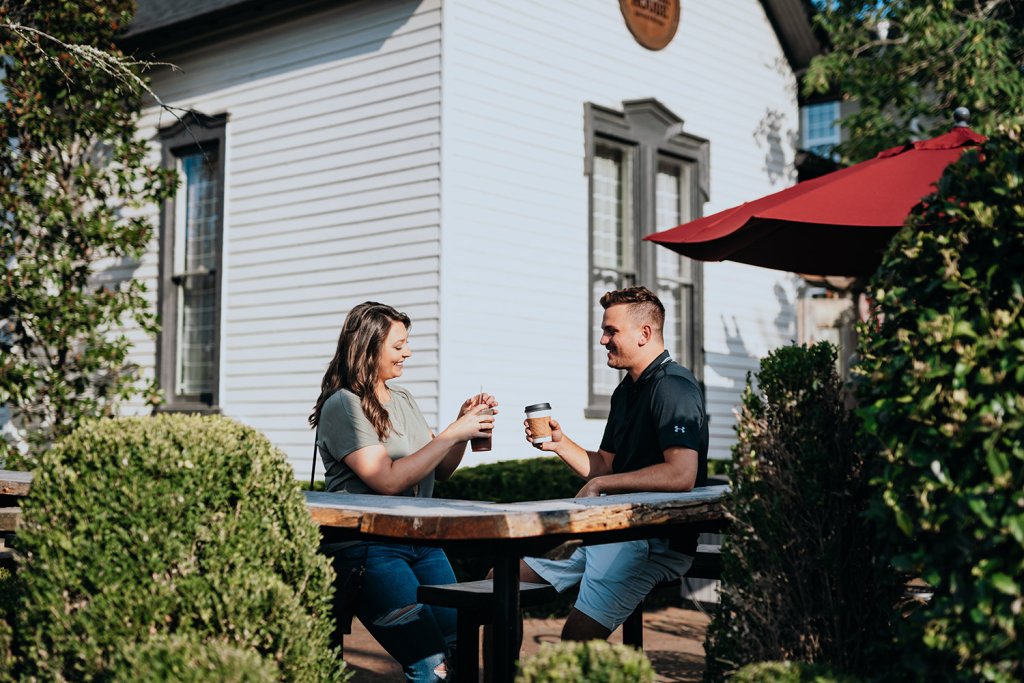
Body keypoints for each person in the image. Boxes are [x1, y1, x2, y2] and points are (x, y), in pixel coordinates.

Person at [310, 301, 497, 682]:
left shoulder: (404, 399)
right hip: (368, 548)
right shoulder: (343, 404)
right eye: (398, 346)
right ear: (368, 347)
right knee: (431, 664)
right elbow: (389, 481)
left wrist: (461, 429)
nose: (407, 352)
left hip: (421, 541)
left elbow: (442, 469)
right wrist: (452, 433)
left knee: (460, 645)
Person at [520, 286, 709, 642]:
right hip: (613, 530)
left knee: (577, 636)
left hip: (653, 540)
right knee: (500, 586)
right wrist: (561, 445)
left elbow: (682, 473)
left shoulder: (674, 387)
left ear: (645, 334)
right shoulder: (626, 390)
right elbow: (605, 467)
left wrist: (605, 486)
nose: (603, 339)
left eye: (611, 331)